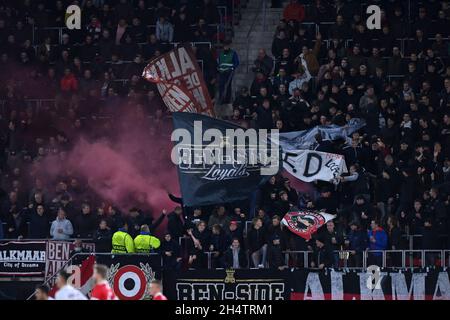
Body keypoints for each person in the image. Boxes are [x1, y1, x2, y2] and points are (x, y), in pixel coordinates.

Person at [217, 39, 239, 105]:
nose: (225, 47)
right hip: (221, 72)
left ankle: (227, 99)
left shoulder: (233, 53)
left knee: (228, 85)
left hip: (229, 72)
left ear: (229, 46)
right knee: (221, 85)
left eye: (227, 46)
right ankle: (221, 99)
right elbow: (219, 62)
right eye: (225, 46)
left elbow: (236, 62)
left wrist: (232, 68)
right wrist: (218, 68)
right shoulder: (220, 53)